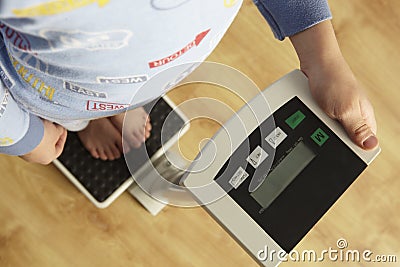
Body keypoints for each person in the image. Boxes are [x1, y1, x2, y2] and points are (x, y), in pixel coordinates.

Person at [0, 0, 378, 165]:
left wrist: (324, 59)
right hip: (53, 87)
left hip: (159, 61)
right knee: (79, 108)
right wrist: (22, 136)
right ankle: (84, 121)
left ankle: (115, 105)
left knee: (130, 84)